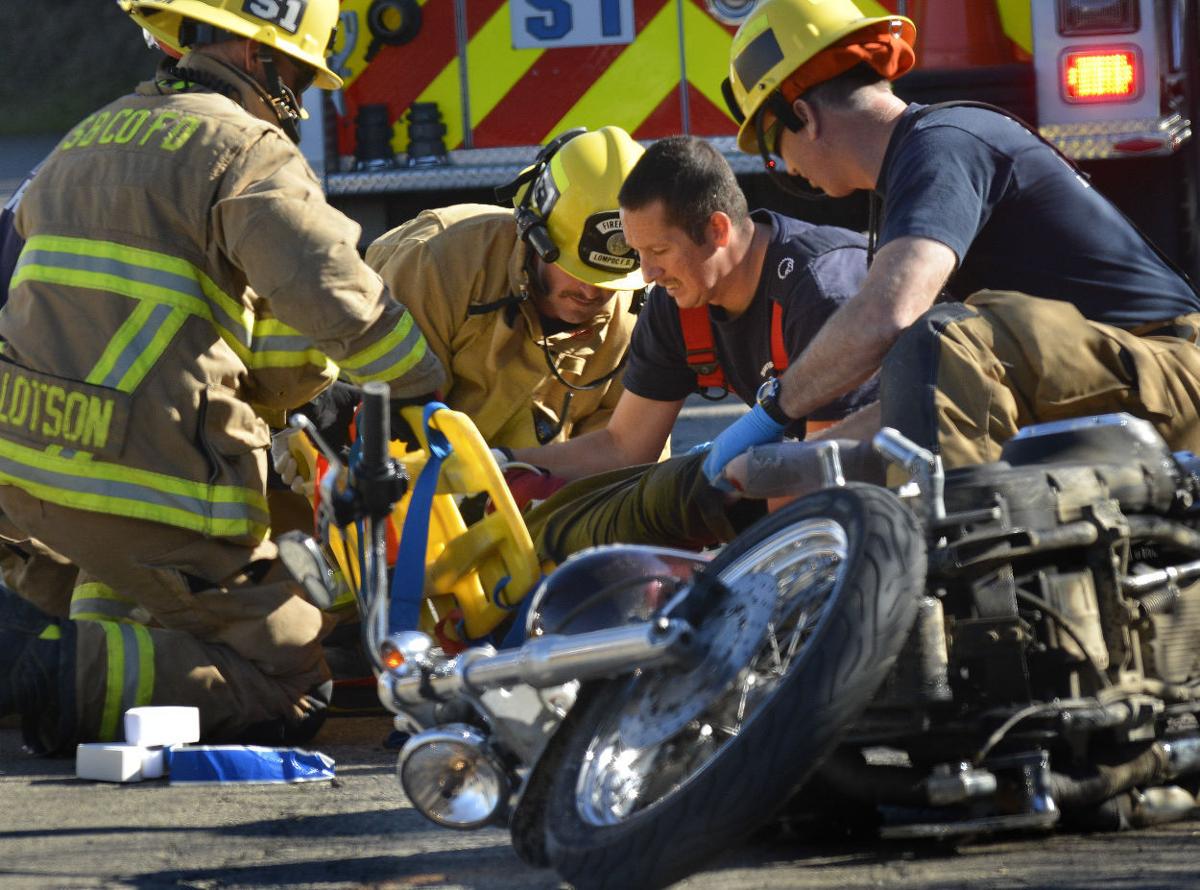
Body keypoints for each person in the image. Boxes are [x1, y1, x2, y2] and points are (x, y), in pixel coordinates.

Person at [0, 0, 446, 755]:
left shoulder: (84, 138)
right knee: (296, 684)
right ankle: (43, 671)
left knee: (134, 610)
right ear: (253, 55)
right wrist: (423, 384)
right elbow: (335, 295)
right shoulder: (246, 148)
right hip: (144, 493)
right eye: (298, 72)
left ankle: (74, 654)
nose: (299, 97)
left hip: (25, 481)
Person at [702, 0, 1200, 487]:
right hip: (1132, 377)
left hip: (1168, 377)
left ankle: (971, 555)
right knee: (930, 355)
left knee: (940, 336)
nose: (788, 169)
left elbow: (889, 315)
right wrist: (794, 461)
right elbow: (922, 394)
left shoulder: (943, 144)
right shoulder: (925, 156)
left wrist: (769, 413)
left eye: (773, 148)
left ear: (804, 117)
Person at [514, 136, 880, 563]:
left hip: (903, 495)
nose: (648, 274)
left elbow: (822, 475)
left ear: (717, 230)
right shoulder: (680, 304)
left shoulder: (819, 292)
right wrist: (511, 465)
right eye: (638, 254)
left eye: (659, 251)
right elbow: (624, 448)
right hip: (813, 484)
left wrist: (719, 576)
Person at [361, 126, 646, 453]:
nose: (591, 292)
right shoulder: (440, 263)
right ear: (534, 232)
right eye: (573, 268)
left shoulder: (630, 307)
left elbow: (625, 453)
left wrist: (537, 481)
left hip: (536, 491)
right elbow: (397, 418)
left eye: (608, 278)